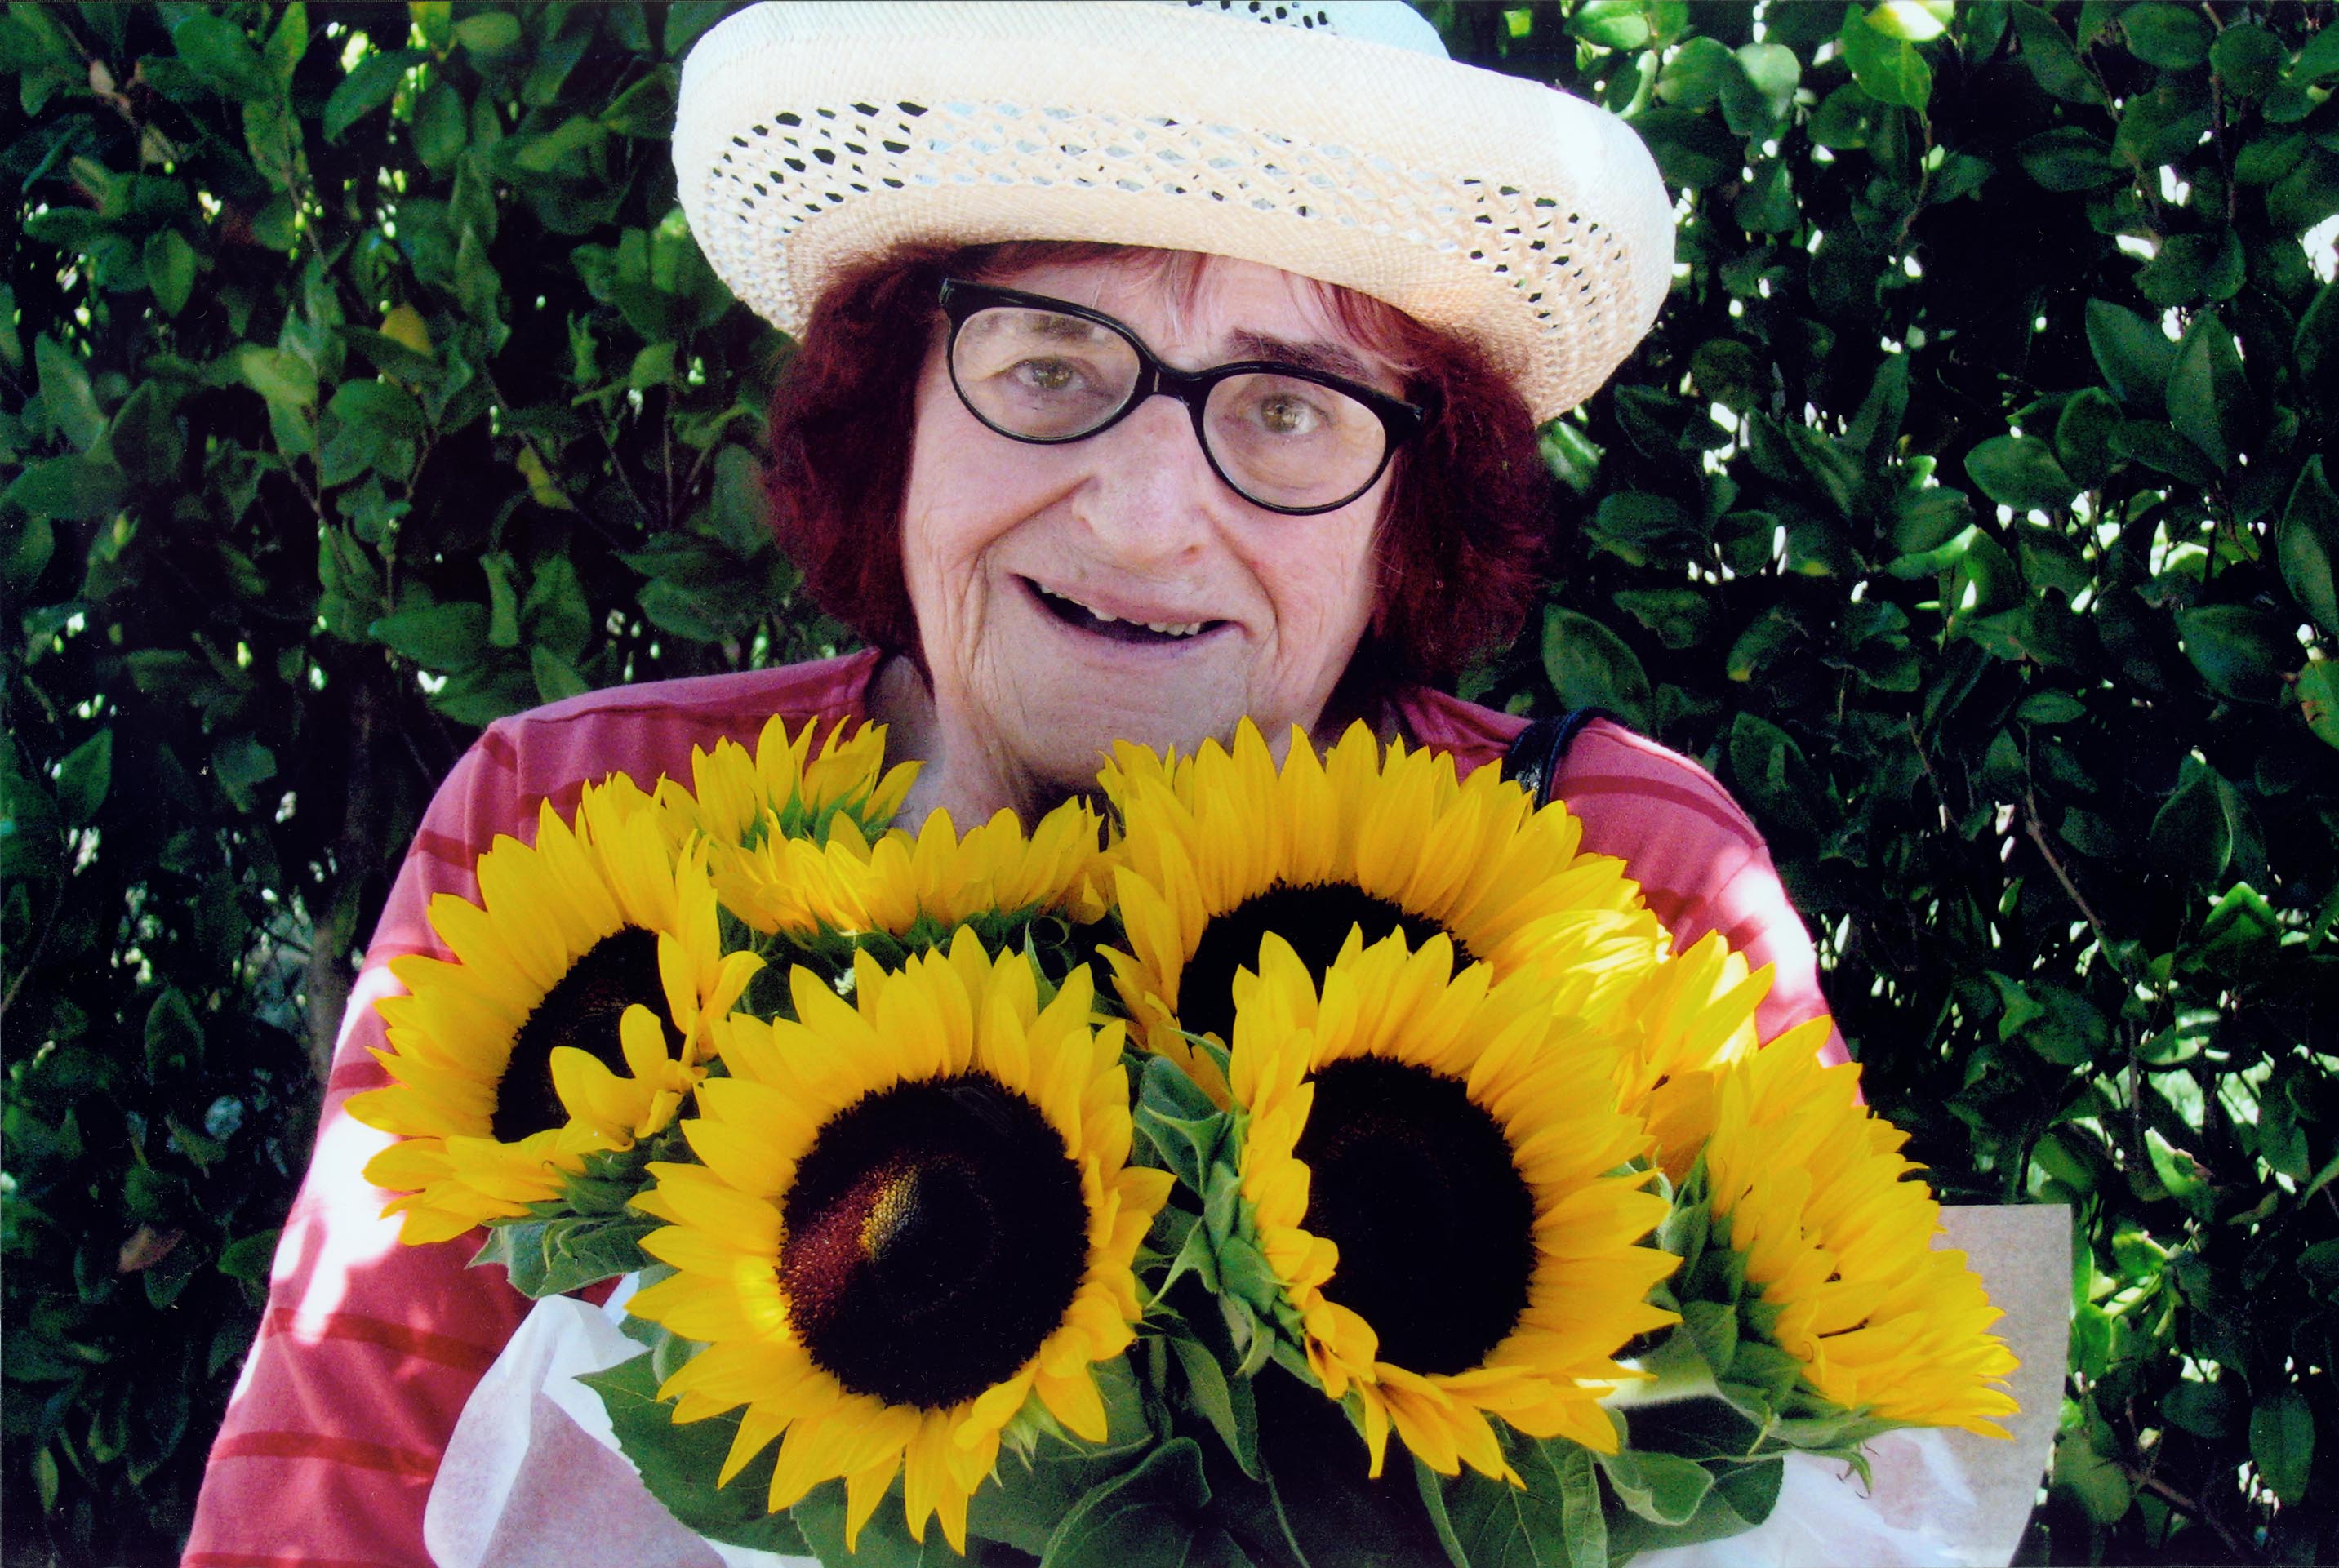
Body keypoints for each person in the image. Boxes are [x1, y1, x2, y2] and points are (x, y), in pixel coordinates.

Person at [181, 5, 1845, 1563]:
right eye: (1048, 362)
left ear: (1408, 505)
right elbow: (322, 1512)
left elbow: (1842, 1470)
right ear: (892, 401)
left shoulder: (1628, 883)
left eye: (1286, 408)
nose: (1139, 517)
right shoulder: (568, 829)